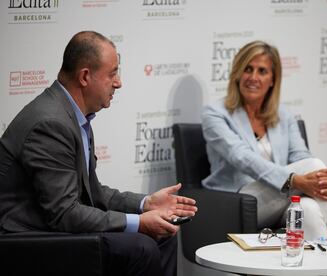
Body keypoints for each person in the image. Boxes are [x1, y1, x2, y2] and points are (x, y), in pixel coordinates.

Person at [0, 31, 197, 276]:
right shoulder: (50, 123)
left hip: (56, 229)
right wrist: (138, 223)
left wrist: (145, 204)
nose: (119, 82)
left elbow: (92, 192)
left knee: (164, 235)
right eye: (112, 73)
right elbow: (65, 213)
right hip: (29, 239)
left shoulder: (74, 116)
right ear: (85, 76)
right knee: (142, 245)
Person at [201, 40, 327, 276]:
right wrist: (295, 180)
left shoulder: (283, 115)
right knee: (314, 168)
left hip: (285, 200)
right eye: (248, 68)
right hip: (236, 202)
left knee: (306, 207)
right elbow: (241, 157)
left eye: (262, 71)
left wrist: (320, 178)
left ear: (273, 79)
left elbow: (301, 155)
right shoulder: (215, 113)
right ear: (237, 73)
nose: (253, 76)